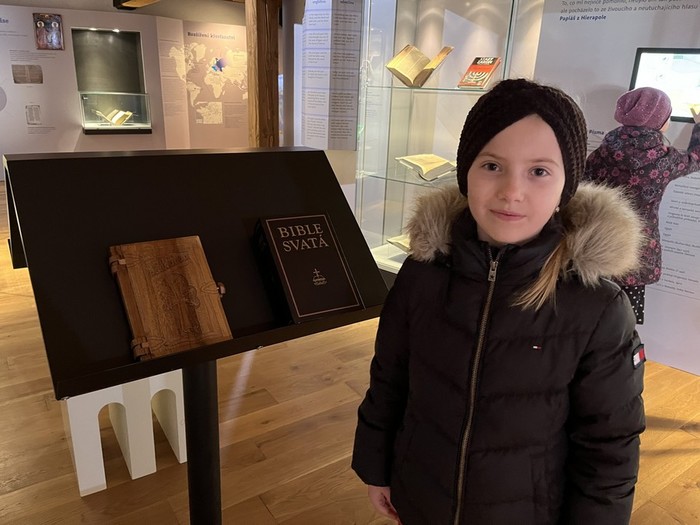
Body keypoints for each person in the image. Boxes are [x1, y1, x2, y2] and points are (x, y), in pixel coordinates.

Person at [351, 78, 647, 524]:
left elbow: (610, 443)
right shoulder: (422, 274)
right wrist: (376, 466)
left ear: (566, 185)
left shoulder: (597, 307)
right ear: (466, 172)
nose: (512, 191)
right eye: (492, 165)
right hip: (422, 494)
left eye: (539, 171)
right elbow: (389, 377)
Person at [584, 86, 700, 324]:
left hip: (599, 245)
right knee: (626, 320)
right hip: (637, 249)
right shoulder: (664, 159)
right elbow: (696, 158)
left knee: (592, 313)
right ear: (659, 120)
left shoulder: (601, 153)